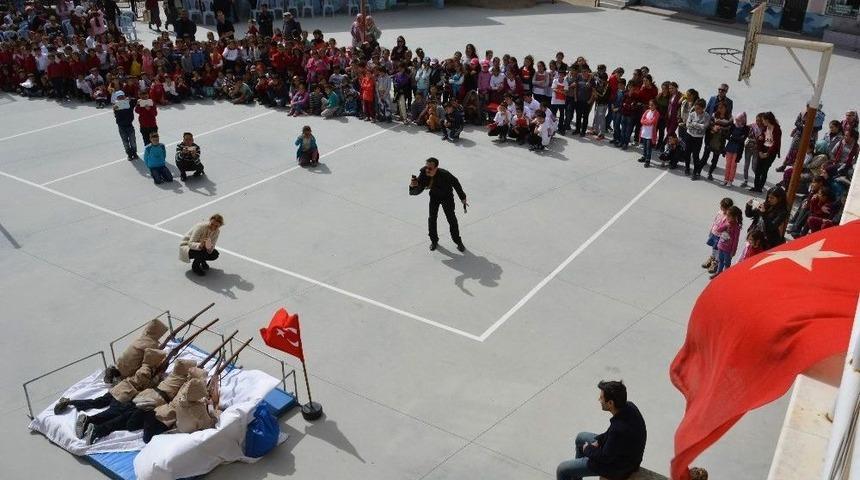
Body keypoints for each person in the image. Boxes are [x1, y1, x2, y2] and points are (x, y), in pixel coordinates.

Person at [556, 380, 647, 480]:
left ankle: (575, 472)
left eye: (602, 398)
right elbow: (610, 434)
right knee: (580, 437)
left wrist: (588, 449)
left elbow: (605, 457)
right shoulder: (629, 407)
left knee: (562, 469)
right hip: (621, 454)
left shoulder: (619, 429)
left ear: (610, 403)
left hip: (618, 468)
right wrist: (599, 441)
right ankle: (576, 475)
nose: (599, 400)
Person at [409, 157, 468, 252]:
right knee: (432, 218)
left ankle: (458, 241)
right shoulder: (424, 173)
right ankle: (434, 241)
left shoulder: (445, 174)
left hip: (447, 197)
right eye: (426, 167)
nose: (427, 170)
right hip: (434, 197)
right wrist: (413, 186)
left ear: (436, 168)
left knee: (451, 219)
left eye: (430, 168)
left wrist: (462, 197)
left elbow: (456, 183)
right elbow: (418, 188)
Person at [751, 112, 782, 193]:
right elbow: (760, 140)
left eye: (763, 120)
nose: (762, 122)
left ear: (767, 120)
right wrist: (760, 151)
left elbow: (776, 144)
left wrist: (767, 153)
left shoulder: (777, 129)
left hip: (771, 152)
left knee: (764, 170)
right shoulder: (765, 128)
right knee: (758, 169)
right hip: (763, 149)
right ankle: (756, 187)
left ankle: (760, 188)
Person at [703, 197, 733, 273]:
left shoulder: (728, 217)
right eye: (721, 206)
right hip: (714, 232)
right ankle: (712, 257)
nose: (721, 208)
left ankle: (716, 262)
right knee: (714, 247)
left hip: (720, 236)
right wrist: (711, 230)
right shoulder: (720, 212)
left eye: (723, 207)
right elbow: (715, 221)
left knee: (718, 249)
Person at [711, 205, 742, 279]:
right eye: (727, 215)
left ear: (734, 217)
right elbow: (718, 229)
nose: (727, 217)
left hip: (728, 250)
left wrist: (733, 251)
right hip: (721, 246)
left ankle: (725, 276)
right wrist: (726, 225)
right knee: (720, 260)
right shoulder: (726, 222)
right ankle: (718, 273)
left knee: (727, 263)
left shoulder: (736, 227)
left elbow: (736, 240)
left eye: (729, 216)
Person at [113, 90, 138, 161]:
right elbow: (116, 115)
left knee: (133, 141)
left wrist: (130, 99)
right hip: (121, 127)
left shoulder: (129, 103)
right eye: (119, 97)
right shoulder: (116, 105)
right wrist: (114, 109)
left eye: (122, 96)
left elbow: (136, 100)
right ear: (117, 98)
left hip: (129, 125)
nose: (121, 98)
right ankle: (129, 154)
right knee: (125, 142)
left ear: (124, 96)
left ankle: (134, 153)